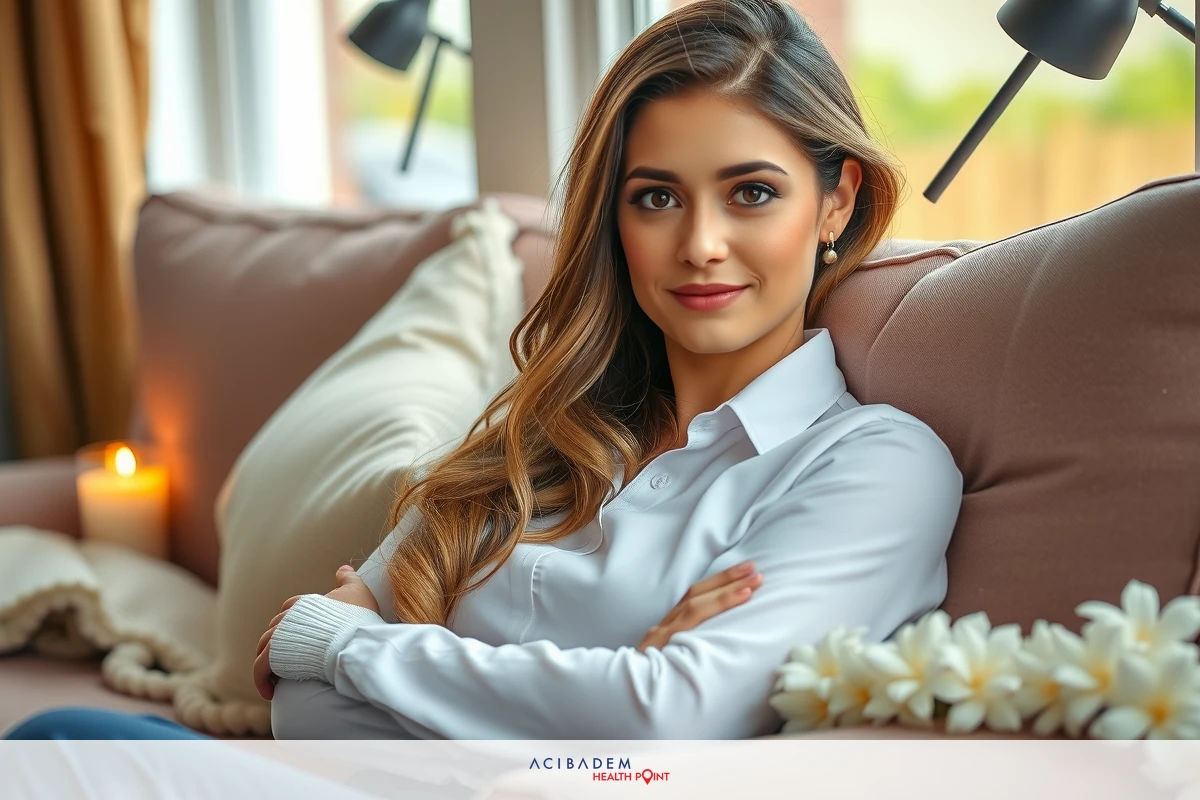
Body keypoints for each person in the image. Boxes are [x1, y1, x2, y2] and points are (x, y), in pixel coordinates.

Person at [6, 0, 962, 745]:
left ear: (837, 201)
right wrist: (613, 675)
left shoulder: (875, 467)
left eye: (752, 193)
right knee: (50, 738)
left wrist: (361, 649)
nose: (702, 245)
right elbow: (303, 697)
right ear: (614, 220)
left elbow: (664, 723)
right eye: (656, 197)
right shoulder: (540, 434)